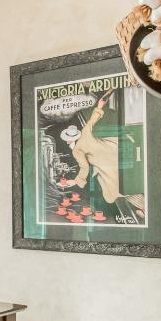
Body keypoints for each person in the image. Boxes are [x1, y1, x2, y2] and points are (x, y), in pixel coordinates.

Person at [56, 92, 141, 224]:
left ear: (68, 141)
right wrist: (102, 102)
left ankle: (141, 206)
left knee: (113, 193)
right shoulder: (85, 132)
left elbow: (84, 168)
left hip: (108, 164)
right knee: (122, 184)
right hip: (114, 150)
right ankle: (141, 206)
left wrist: (75, 181)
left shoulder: (77, 151)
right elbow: (94, 116)